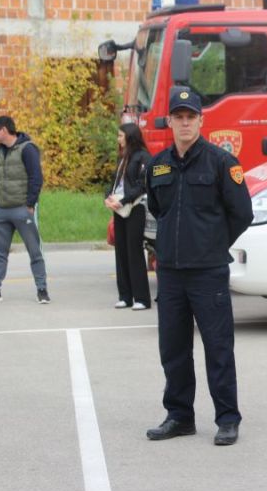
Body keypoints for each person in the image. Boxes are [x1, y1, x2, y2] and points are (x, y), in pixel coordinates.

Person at [144, 88, 253, 444]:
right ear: (170, 121)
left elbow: (242, 213)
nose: (185, 123)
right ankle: (179, 416)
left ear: (201, 121)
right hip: (171, 273)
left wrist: (212, 243)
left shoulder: (221, 162)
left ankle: (227, 418)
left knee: (218, 348)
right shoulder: (157, 165)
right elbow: (158, 209)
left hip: (208, 272)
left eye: (191, 116)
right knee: (173, 349)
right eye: (179, 117)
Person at [0, 116, 50, 304]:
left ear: (3, 130)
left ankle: (42, 289)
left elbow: (36, 178)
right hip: (0, 210)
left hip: (22, 209)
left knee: (35, 251)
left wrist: (30, 204)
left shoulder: (28, 149)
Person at [105, 123, 152, 310]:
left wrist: (125, 200)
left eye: (120, 136)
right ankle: (125, 296)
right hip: (119, 209)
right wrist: (107, 197)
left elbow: (142, 184)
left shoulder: (143, 157)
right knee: (121, 251)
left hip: (134, 207)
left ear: (130, 137)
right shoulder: (122, 157)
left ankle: (142, 298)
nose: (118, 139)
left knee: (134, 251)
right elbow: (114, 182)